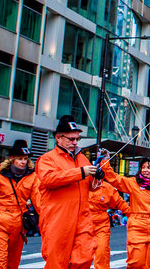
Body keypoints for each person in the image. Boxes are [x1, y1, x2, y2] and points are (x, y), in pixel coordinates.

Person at [36, 115, 98, 269]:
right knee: (57, 263)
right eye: (71, 139)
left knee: (85, 256)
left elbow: (91, 187)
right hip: (57, 220)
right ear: (58, 138)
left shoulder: (82, 158)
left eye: (77, 139)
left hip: (82, 218)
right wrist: (81, 172)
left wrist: (98, 178)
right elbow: (49, 179)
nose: (75, 142)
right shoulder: (47, 159)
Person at [100, 154, 150, 269]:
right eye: (143, 167)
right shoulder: (133, 183)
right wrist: (105, 161)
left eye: (149, 168)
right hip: (137, 226)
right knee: (135, 262)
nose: (145, 170)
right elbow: (114, 179)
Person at [0, 139, 39, 269]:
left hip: (19, 222)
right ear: (11, 159)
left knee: (13, 261)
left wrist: (47, 220)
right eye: (20, 158)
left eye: (25, 159)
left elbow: (40, 201)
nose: (23, 162)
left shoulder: (32, 177)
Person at [88, 178, 129, 269]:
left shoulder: (107, 188)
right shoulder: (80, 185)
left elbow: (119, 203)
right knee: (80, 257)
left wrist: (133, 215)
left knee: (102, 252)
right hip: (82, 225)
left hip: (101, 225)